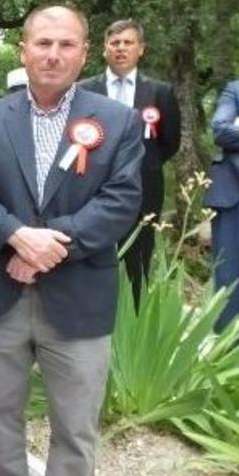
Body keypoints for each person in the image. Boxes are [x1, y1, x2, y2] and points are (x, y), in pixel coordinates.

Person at [0, 4, 143, 476]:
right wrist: (15, 239)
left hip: (78, 299)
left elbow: (121, 200)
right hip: (1, 292)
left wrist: (44, 250)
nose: (53, 54)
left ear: (84, 53)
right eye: (43, 43)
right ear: (23, 51)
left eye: (66, 44)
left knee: (76, 425)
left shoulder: (117, 121)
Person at [79, 19, 181, 301]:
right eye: (115, 43)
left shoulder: (161, 92)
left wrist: (143, 166)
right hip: (91, 192)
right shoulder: (83, 91)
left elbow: (169, 142)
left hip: (143, 191)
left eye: (128, 42)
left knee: (138, 263)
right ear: (105, 49)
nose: (121, 48)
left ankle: (132, 319)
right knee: (92, 259)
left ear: (141, 49)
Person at [204, 77, 239, 331]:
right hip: (235, 193)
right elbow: (221, 130)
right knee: (230, 273)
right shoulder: (238, 89)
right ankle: (230, 345)